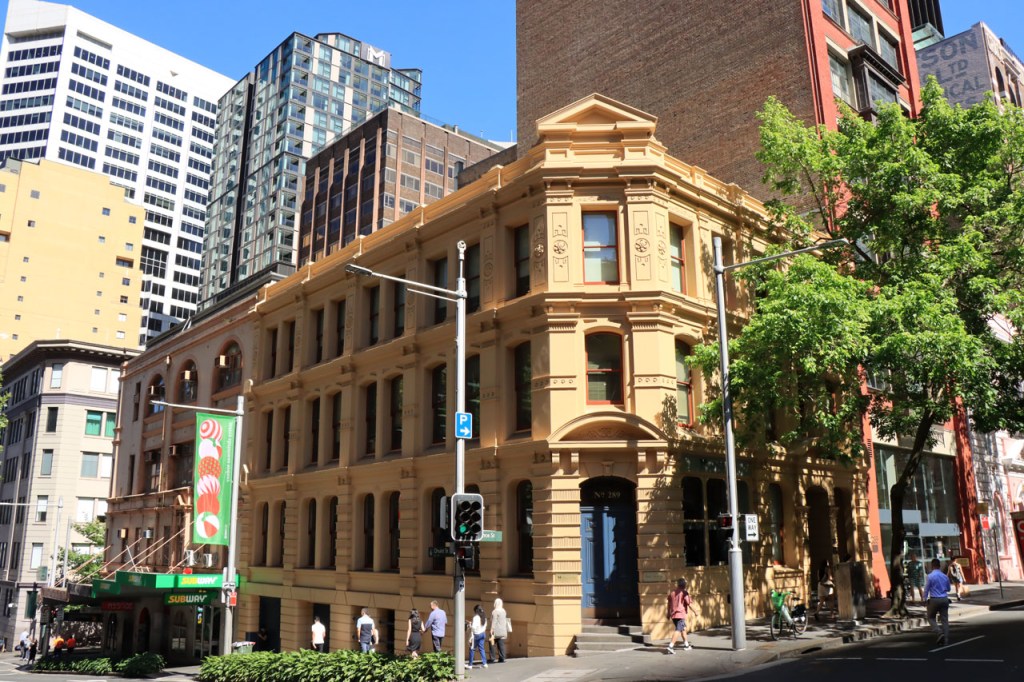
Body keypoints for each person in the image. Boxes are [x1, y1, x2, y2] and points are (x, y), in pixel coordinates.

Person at [925, 557, 952, 645]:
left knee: (931, 617)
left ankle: (939, 632)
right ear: (939, 566)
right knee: (944, 620)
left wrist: (924, 599)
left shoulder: (930, 576)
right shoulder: (945, 576)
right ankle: (946, 639)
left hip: (934, 599)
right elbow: (948, 589)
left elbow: (926, 589)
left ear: (932, 566)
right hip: (944, 599)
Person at [666, 577, 694, 653]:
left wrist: (668, 613)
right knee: (678, 630)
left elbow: (669, 604)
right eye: (685, 584)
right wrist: (695, 612)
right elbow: (689, 603)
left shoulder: (672, 593)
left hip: (673, 615)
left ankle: (686, 645)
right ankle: (670, 646)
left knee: (683, 629)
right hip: (680, 614)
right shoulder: (684, 593)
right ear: (684, 585)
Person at [489, 597, 510, 663]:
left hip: (496, 631)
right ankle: (502, 658)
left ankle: (492, 657)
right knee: (501, 644)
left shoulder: (495, 611)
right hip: (503, 631)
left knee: (492, 643)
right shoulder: (504, 611)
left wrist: (492, 629)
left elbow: (494, 621)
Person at [468, 604, 488, 669]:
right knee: (481, 649)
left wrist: (470, 625)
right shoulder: (484, 616)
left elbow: (474, 627)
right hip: (483, 633)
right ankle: (485, 663)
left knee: (472, 649)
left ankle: (470, 665)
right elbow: (484, 625)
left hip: (476, 635)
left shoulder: (476, 617)